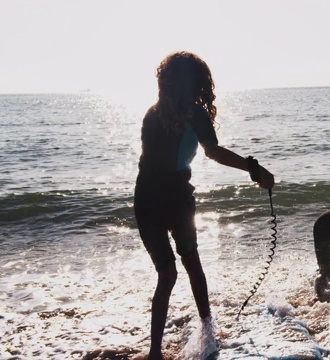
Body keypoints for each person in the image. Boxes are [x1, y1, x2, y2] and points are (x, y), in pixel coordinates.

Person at [133, 51, 274, 360]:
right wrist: (254, 169)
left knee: (170, 272)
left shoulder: (153, 112)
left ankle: (163, 348)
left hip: (147, 198)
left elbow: (157, 163)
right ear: (197, 81)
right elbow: (213, 152)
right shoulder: (191, 113)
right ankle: (201, 333)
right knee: (184, 267)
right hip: (168, 197)